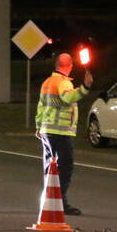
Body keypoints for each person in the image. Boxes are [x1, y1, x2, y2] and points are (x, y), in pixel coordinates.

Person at [35, 52, 93, 215]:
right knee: (64, 167)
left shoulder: (47, 82)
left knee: (50, 167)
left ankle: (49, 200)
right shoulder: (63, 83)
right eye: (71, 64)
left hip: (47, 130)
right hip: (60, 132)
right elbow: (68, 98)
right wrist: (85, 87)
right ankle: (61, 202)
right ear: (68, 66)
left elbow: (41, 105)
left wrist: (39, 126)